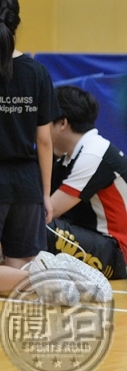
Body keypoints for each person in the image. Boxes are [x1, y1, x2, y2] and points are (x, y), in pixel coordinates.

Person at [0, 0, 111, 306]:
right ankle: (56, 275)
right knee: (17, 274)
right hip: (26, 186)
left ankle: (57, 275)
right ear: (15, 24)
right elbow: (44, 140)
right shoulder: (37, 73)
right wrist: (44, 193)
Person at [45, 85, 127, 279]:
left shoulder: (94, 153)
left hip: (119, 254)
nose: (41, 131)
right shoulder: (67, 158)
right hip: (98, 242)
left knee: (35, 226)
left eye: (45, 122)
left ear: (63, 123)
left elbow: (49, 211)